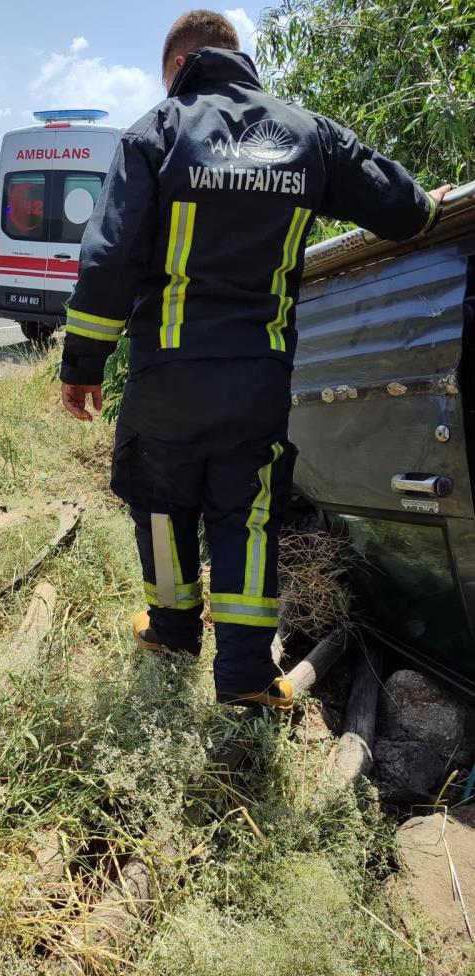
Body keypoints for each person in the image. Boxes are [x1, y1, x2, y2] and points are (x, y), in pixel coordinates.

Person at [59, 9, 451, 710]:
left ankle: (173, 632)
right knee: (246, 514)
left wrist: (82, 362)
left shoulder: (157, 131)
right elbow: (396, 207)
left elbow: (110, 255)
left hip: (168, 372)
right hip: (257, 373)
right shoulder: (306, 134)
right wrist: (426, 210)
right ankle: (243, 676)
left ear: (178, 67)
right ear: (233, 57)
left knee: (162, 503)